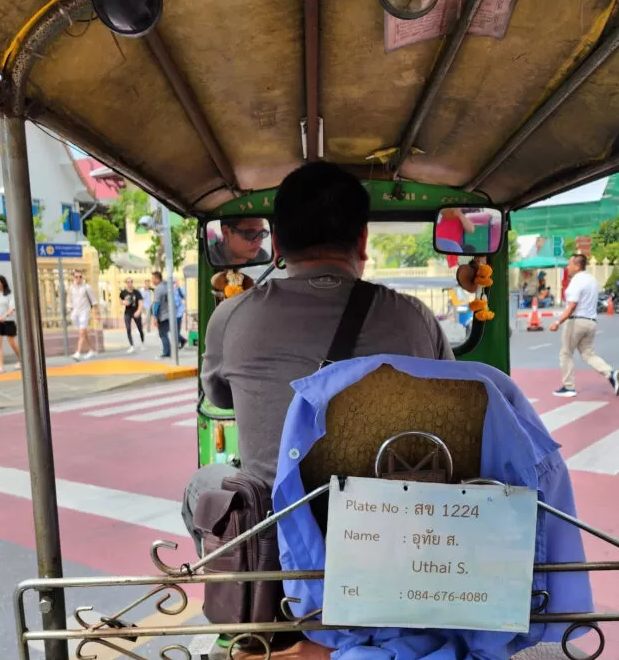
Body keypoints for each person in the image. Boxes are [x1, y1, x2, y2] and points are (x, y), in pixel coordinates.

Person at [182, 161, 453, 553]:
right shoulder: (414, 317)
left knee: (202, 482)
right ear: (362, 239)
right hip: (390, 532)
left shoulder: (231, 316)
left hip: (276, 536)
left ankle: (237, 583)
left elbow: (220, 398)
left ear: (277, 245)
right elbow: (450, 402)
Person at [548, 253, 619, 398]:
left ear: (577, 266)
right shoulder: (592, 280)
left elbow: (572, 306)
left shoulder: (577, 281)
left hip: (576, 322)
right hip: (591, 322)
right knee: (588, 354)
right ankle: (611, 374)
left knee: (566, 353)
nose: (567, 267)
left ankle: (568, 387)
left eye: (569, 264)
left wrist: (558, 322)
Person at [0, 275, 20, 374]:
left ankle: (21, 360)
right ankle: (1, 366)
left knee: (12, 342)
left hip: (8, 321)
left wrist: (5, 316)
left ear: (3, 283)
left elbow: (12, 308)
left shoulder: (9, 294)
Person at [150, 271, 184, 358]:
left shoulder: (158, 288)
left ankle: (166, 352)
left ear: (157, 279)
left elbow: (156, 303)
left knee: (163, 333)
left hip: (163, 314)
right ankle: (181, 340)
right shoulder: (168, 286)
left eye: (153, 278)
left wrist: (155, 316)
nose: (152, 280)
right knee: (171, 330)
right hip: (172, 313)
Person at [69, 269, 99, 361]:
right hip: (75, 313)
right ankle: (92, 350)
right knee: (84, 332)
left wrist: (96, 314)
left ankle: (78, 353)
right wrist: (70, 311)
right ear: (73, 277)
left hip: (84, 312)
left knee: (81, 333)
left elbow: (94, 301)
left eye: (80, 277)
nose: (78, 278)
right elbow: (70, 301)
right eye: (76, 277)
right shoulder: (71, 288)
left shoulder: (87, 287)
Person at [119, 277, 145, 353]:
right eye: (128, 282)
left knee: (140, 328)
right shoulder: (123, 292)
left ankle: (142, 343)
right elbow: (120, 301)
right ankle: (132, 346)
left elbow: (140, 302)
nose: (129, 283)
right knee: (128, 328)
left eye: (131, 282)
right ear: (126, 283)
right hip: (128, 312)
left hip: (136, 311)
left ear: (132, 282)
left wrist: (139, 311)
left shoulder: (137, 292)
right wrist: (124, 302)